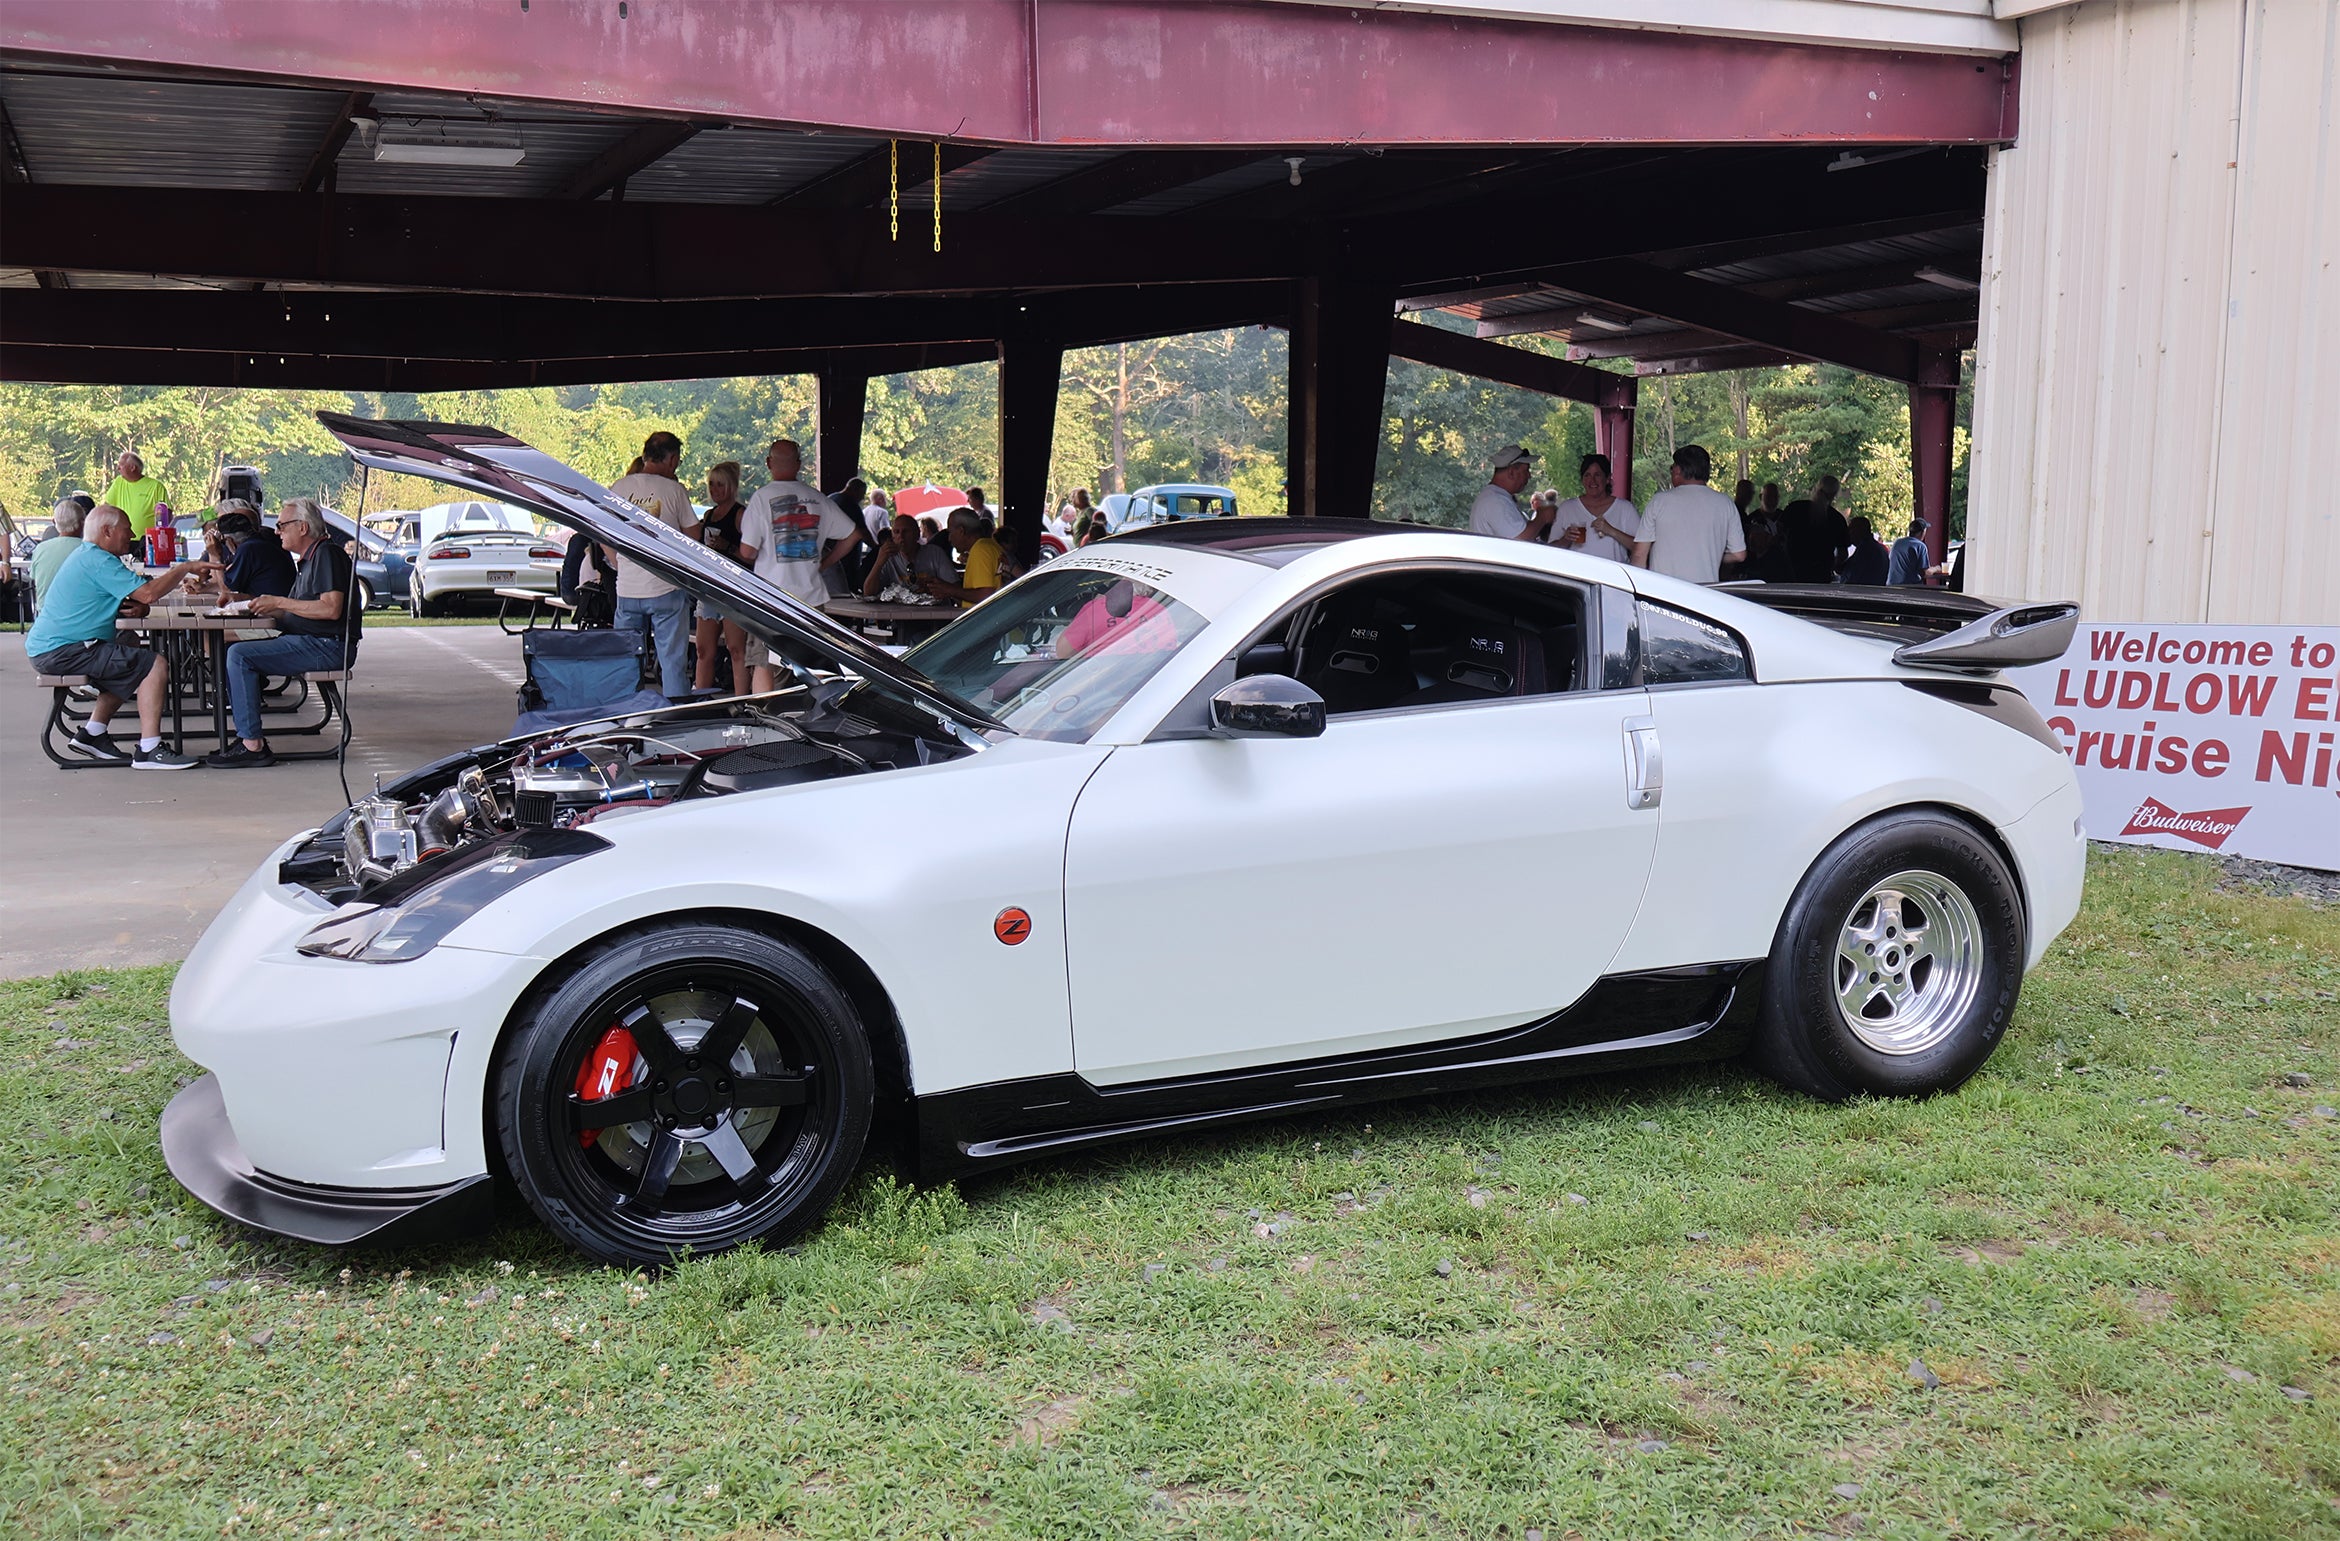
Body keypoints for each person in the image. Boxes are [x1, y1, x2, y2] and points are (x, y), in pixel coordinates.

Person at [22, 505, 214, 769]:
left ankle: (94, 732)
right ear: (107, 531)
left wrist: (142, 607)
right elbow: (147, 593)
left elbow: (136, 600)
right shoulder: (98, 560)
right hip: (62, 650)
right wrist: (185, 568)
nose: (132, 534)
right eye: (127, 529)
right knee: (153, 664)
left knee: (129, 643)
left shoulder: (89, 556)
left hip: (55, 646)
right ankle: (149, 749)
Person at [208, 499, 360, 768]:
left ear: (302, 527)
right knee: (234, 649)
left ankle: (252, 745)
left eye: (281, 526)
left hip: (327, 645)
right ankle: (247, 736)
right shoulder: (309, 560)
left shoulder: (327, 554)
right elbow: (293, 611)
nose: (277, 532)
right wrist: (247, 603)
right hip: (309, 640)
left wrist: (278, 603)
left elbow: (331, 609)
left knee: (240, 655)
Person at [736, 437, 857, 693]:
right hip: (811, 598)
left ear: (769, 463)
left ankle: (766, 717)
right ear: (799, 465)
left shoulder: (761, 498)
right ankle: (816, 715)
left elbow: (747, 551)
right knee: (816, 664)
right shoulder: (817, 499)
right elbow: (852, 534)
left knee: (764, 663)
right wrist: (824, 563)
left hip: (770, 597)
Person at [605, 431, 701, 697]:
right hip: (666, 586)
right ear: (672, 459)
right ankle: (674, 716)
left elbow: (602, 532)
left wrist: (618, 563)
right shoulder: (674, 490)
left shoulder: (619, 487)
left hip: (627, 588)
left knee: (625, 658)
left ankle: (625, 710)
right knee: (672, 660)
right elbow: (694, 536)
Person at [1631, 444, 1746, 584]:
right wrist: (1712, 554)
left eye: (1672, 468)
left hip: (1663, 594)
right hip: (1704, 595)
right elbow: (1739, 555)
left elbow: (1639, 555)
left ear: (1678, 470)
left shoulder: (1659, 502)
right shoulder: (1725, 504)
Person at [693, 461, 750, 692]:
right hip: (709, 586)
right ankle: (700, 699)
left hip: (733, 588)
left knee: (737, 650)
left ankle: (742, 701)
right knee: (703, 650)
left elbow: (752, 558)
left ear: (732, 487)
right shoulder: (708, 515)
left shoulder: (741, 515)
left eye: (720, 485)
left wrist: (728, 547)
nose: (715, 490)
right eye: (711, 485)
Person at [1549, 453, 1640, 563]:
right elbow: (1550, 551)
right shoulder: (1567, 508)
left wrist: (1611, 531)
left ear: (1607, 479)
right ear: (1582, 480)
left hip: (1613, 578)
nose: (1592, 481)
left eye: (1597, 475)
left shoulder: (1625, 508)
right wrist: (1565, 539)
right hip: (1577, 577)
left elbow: (1641, 549)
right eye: (1587, 475)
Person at [919, 506, 1005, 607]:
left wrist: (949, 589)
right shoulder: (990, 546)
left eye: (950, 532)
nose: (949, 539)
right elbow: (971, 599)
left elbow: (985, 596)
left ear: (961, 531)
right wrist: (945, 589)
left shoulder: (980, 549)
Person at [205, 507, 296, 600]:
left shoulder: (248, 548)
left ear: (230, 540)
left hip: (275, 609)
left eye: (224, 542)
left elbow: (228, 591)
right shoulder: (260, 542)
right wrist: (203, 588)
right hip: (279, 603)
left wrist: (215, 556)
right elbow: (231, 583)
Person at [862, 512, 956, 596]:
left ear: (917, 534)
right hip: (899, 614)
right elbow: (868, 592)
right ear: (892, 537)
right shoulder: (888, 557)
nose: (901, 536)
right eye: (896, 532)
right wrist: (879, 562)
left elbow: (955, 587)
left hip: (935, 612)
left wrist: (933, 588)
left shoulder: (935, 553)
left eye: (906, 532)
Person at [1468, 445, 1549, 541]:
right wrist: (1543, 516)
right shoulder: (1495, 501)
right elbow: (1521, 539)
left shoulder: (1494, 497)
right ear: (1511, 472)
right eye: (1526, 471)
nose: (1529, 476)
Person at [1781, 474, 1848, 585]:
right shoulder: (1837, 520)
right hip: (1821, 576)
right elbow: (1842, 553)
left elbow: (1779, 536)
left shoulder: (1795, 508)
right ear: (1834, 495)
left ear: (1816, 489)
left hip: (1792, 574)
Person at [29, 496, 88, 608]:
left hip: (44, 615)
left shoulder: (40, 549)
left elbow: (34, 578)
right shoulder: (89, 550)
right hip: (78, 615)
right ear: (83, 523)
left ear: (54, 522)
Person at [101, 451, 166, 541]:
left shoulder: (156, 486)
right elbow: (107, 507)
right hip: (122, 540)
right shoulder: (118, 482)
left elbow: (167, 515)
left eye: (121, 465)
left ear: (132, 468)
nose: (118, 468)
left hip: (148, 541)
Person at [1837, 515, 1891, 585]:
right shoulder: (1881, 549)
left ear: (1859, 530)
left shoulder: (1865, 550)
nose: (1848, 533)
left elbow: (1851, 581)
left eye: (1851, 529)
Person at [1886, 517, 1932, 586]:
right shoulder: (1920, 546)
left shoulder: (1897, 542)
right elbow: (1925, 573)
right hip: (1910, 587)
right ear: (1922, 532)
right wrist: (1936, 569)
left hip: (1891, 585)